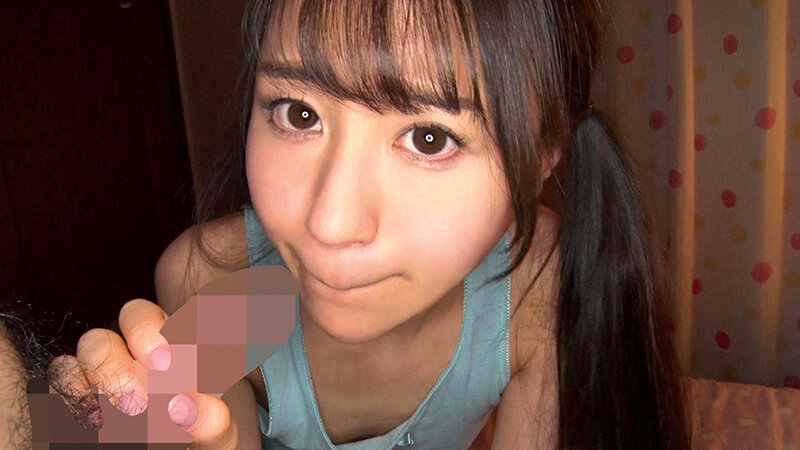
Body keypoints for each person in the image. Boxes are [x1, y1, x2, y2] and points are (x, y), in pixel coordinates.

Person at [45, 0, 691, 448]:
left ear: (540, 158)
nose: (329, 224)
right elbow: (199, 436)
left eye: (431, 138)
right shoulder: (215, 283)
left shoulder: (538, 285)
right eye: (298, 114)